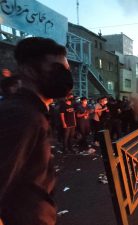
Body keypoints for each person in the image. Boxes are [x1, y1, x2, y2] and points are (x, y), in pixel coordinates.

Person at [0, 37, 73, 225]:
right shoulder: (22, 116)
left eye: (67, 70)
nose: (66, 77)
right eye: (57, 70)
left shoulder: (33, 113)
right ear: (29, 71)